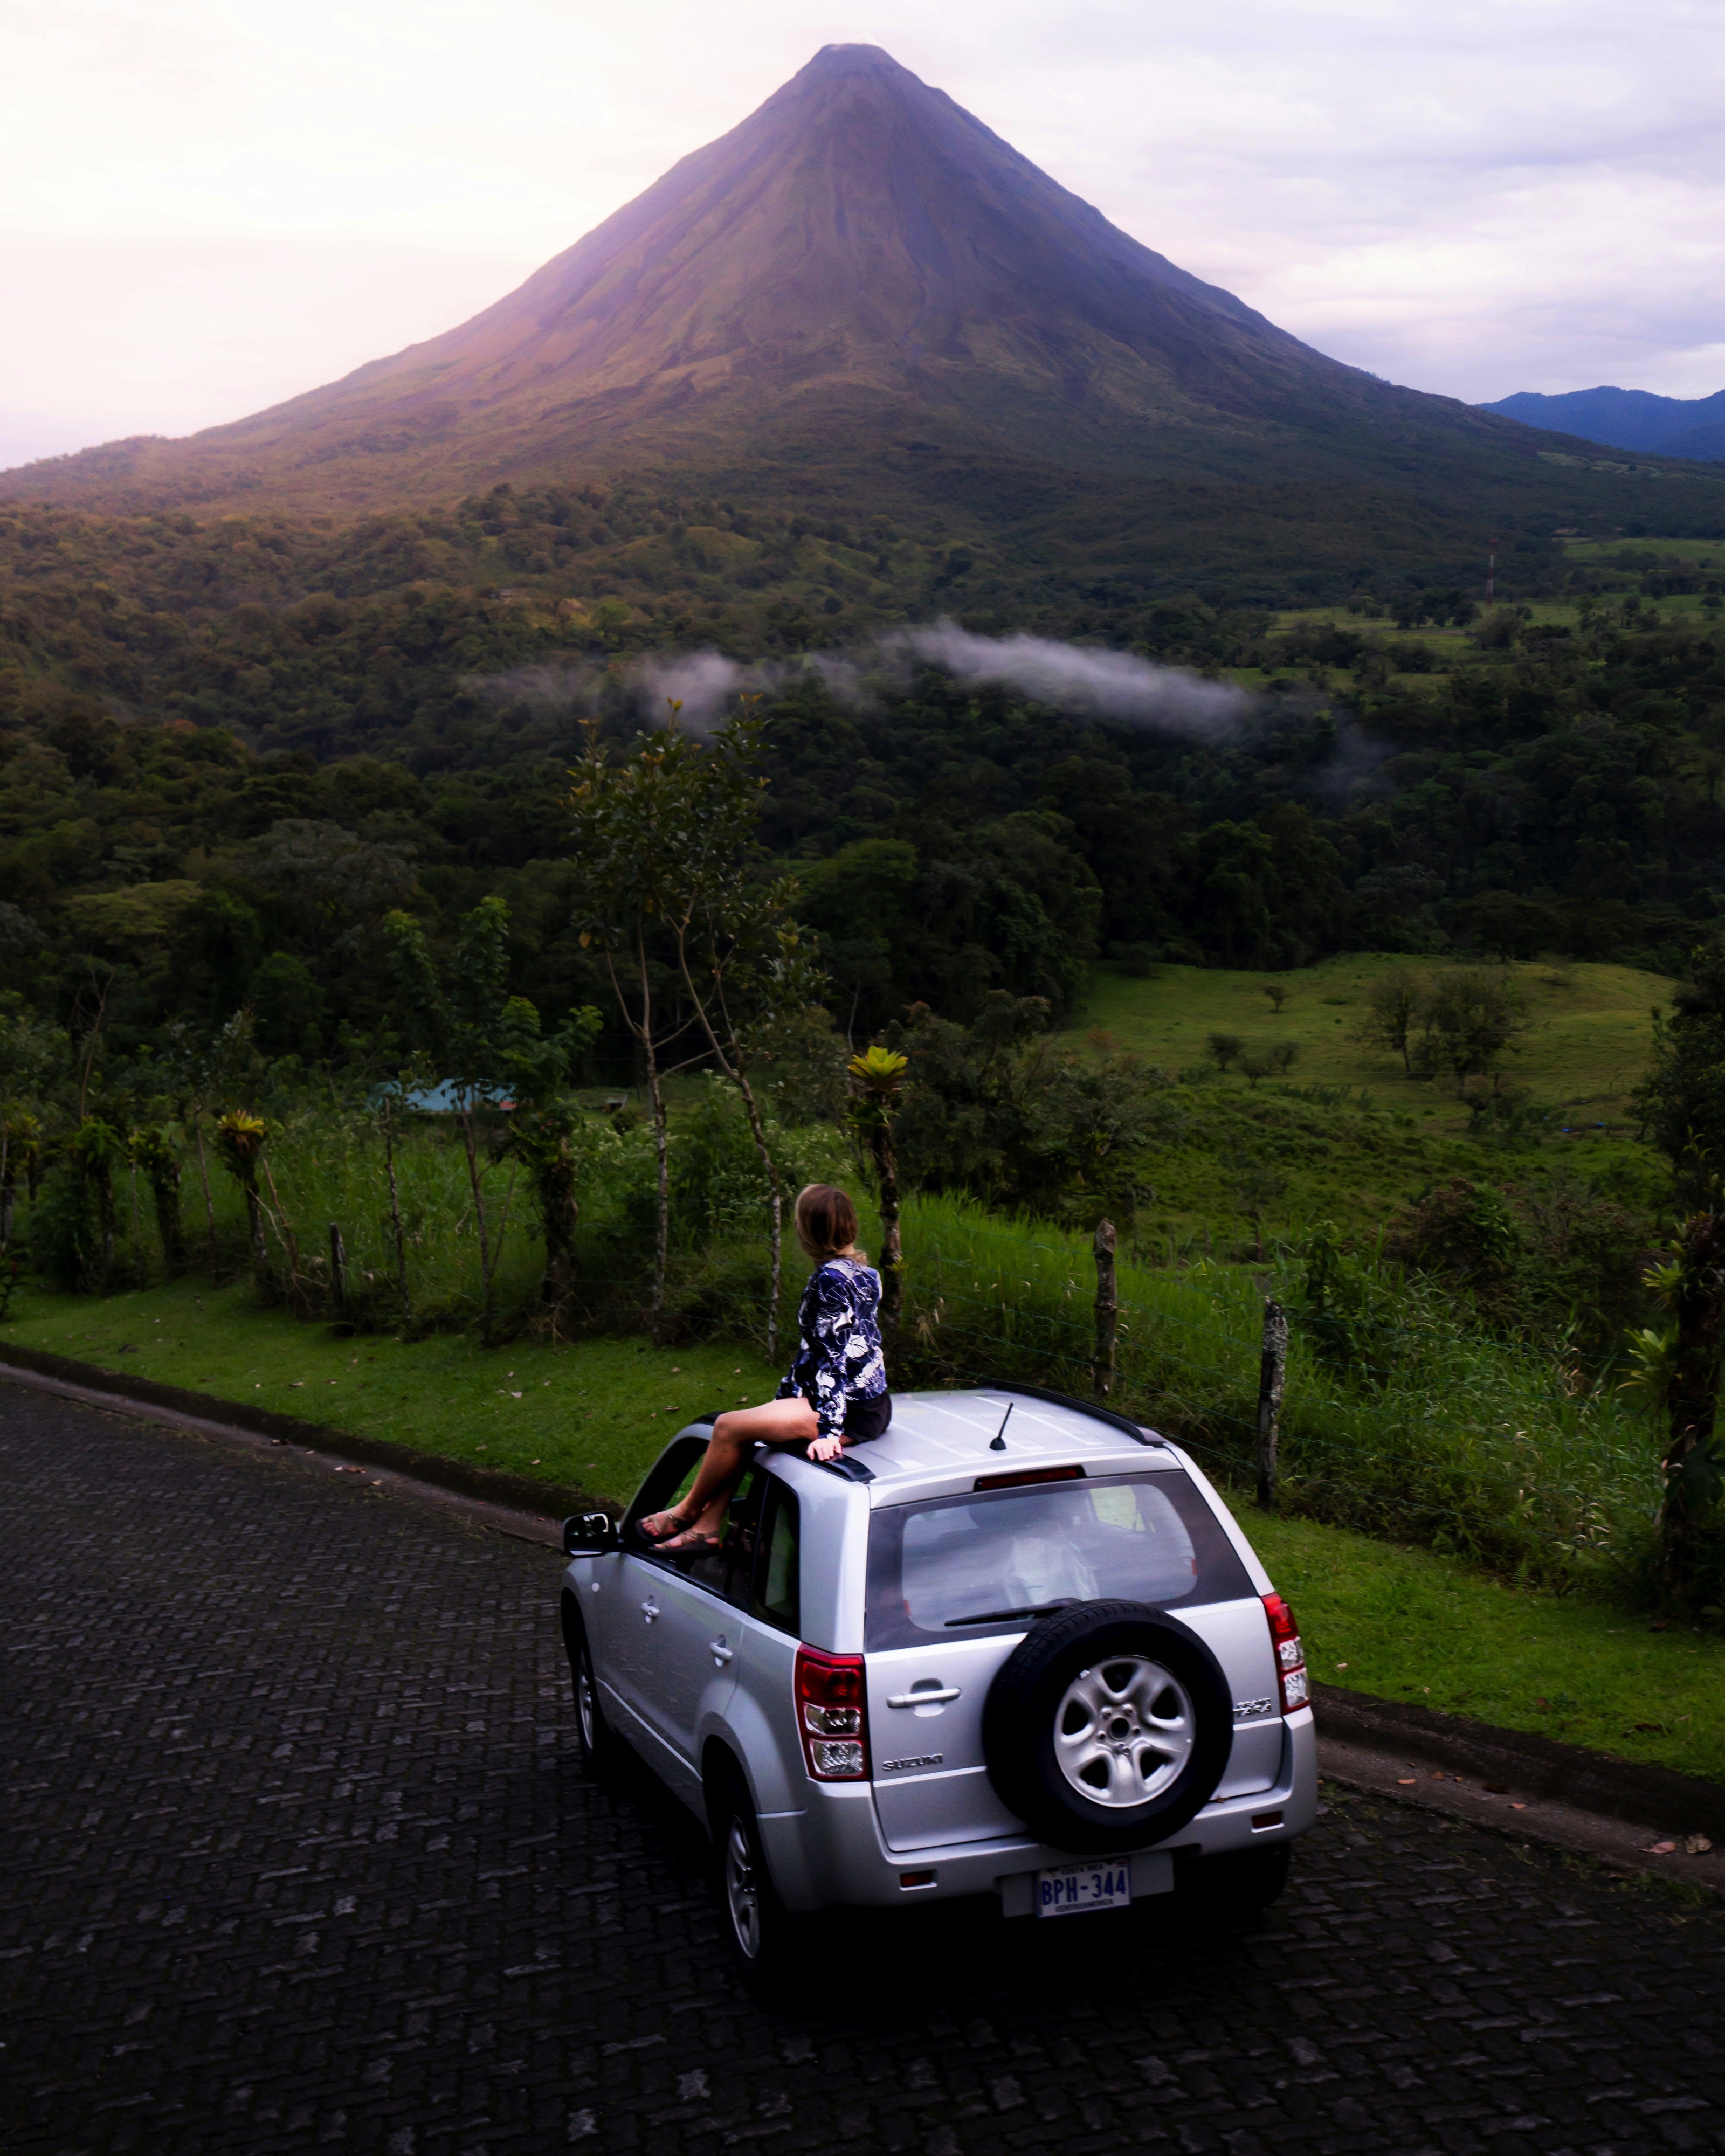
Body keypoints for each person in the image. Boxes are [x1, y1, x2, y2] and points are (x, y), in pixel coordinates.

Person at [641, 1183, 891, 1552]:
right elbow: (840, 1349)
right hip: (868, 1401)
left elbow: (835, 1358)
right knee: (745, 1430)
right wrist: (787, 1396)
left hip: (847, 1411)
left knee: (727, 1427)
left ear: (806, 1230)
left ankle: (687, 1510)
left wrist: (829, 1431)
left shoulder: (830, 1281)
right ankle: (708, 1528)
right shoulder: (864, 1272)